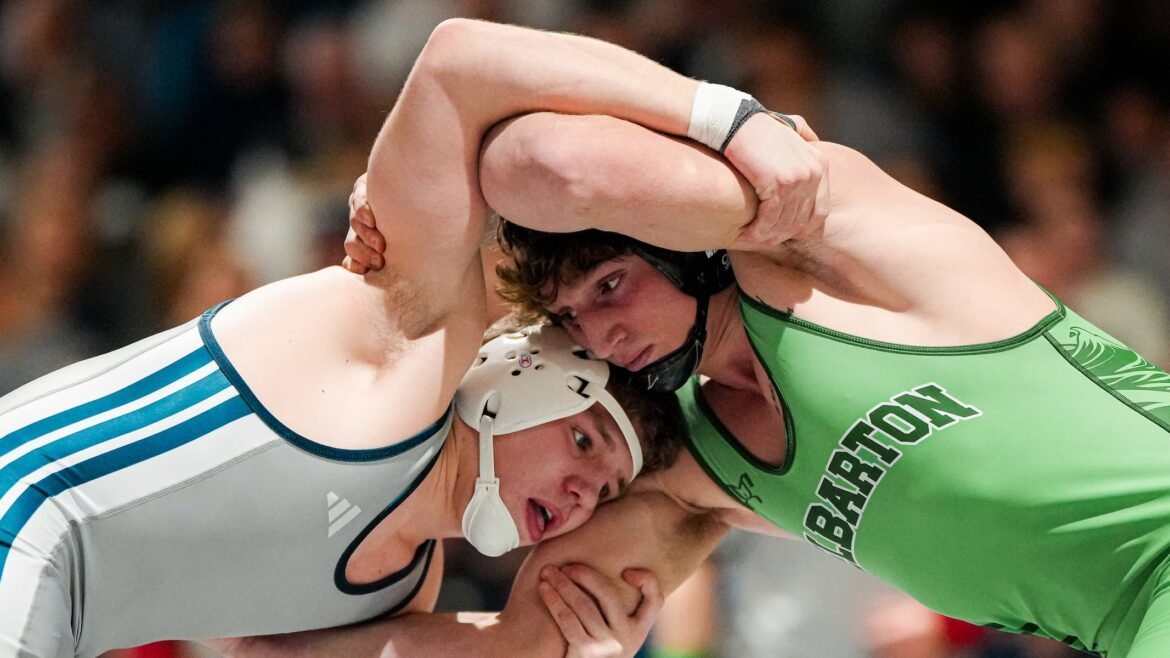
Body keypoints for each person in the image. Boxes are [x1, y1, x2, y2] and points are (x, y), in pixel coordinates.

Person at [340, 18, 1170, 658]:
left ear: (678, 240)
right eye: (569, 321)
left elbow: (539, 162)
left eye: (611, 284)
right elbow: (526, 641)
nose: (600, 331)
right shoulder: (691, 471)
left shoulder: (817, 239)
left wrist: (724, 122)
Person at [0, 16, 696, 656]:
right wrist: (725, 122)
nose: (581, 496)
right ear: (521, 376)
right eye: (583, 442)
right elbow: (457, 64)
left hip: (57, 614)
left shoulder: (403, 591)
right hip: (21, 517)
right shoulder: (411, 341)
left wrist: (552, 641)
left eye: (604, 494)